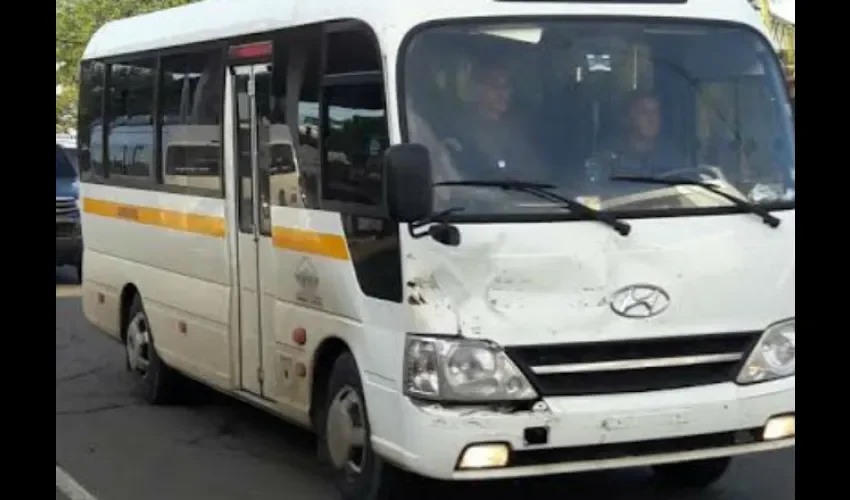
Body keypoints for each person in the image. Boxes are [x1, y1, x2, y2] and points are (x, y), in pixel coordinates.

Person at [603, 90, 687, 176]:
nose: (651, 119)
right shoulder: (610, 157)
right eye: (644, 112)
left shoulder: (673, 157)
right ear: (629, 118)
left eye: (655, 112)